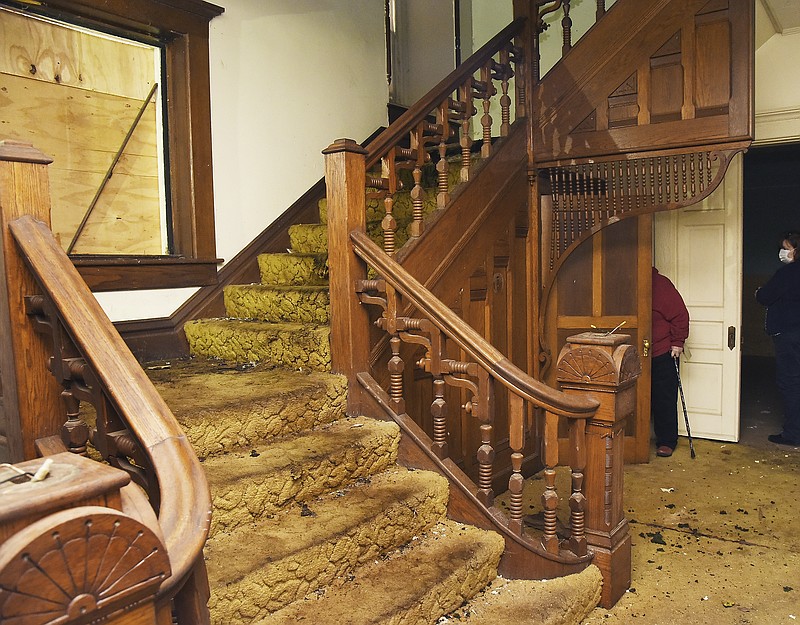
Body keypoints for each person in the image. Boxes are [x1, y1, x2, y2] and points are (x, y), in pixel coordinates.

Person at [756, 230, 800, 446]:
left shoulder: (787, 273)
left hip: (789, 335)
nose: (783, 253)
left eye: (787, 248)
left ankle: (793, 434)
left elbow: (765, 296)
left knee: (790, 382)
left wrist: (758, 292)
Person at [651, 267, 690, 457]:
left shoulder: (660, 284)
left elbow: (680, 316)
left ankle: (667, 441)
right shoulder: (625, 281)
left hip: (662, 351)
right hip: (634, 353)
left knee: (663, 398)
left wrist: (677, 342)